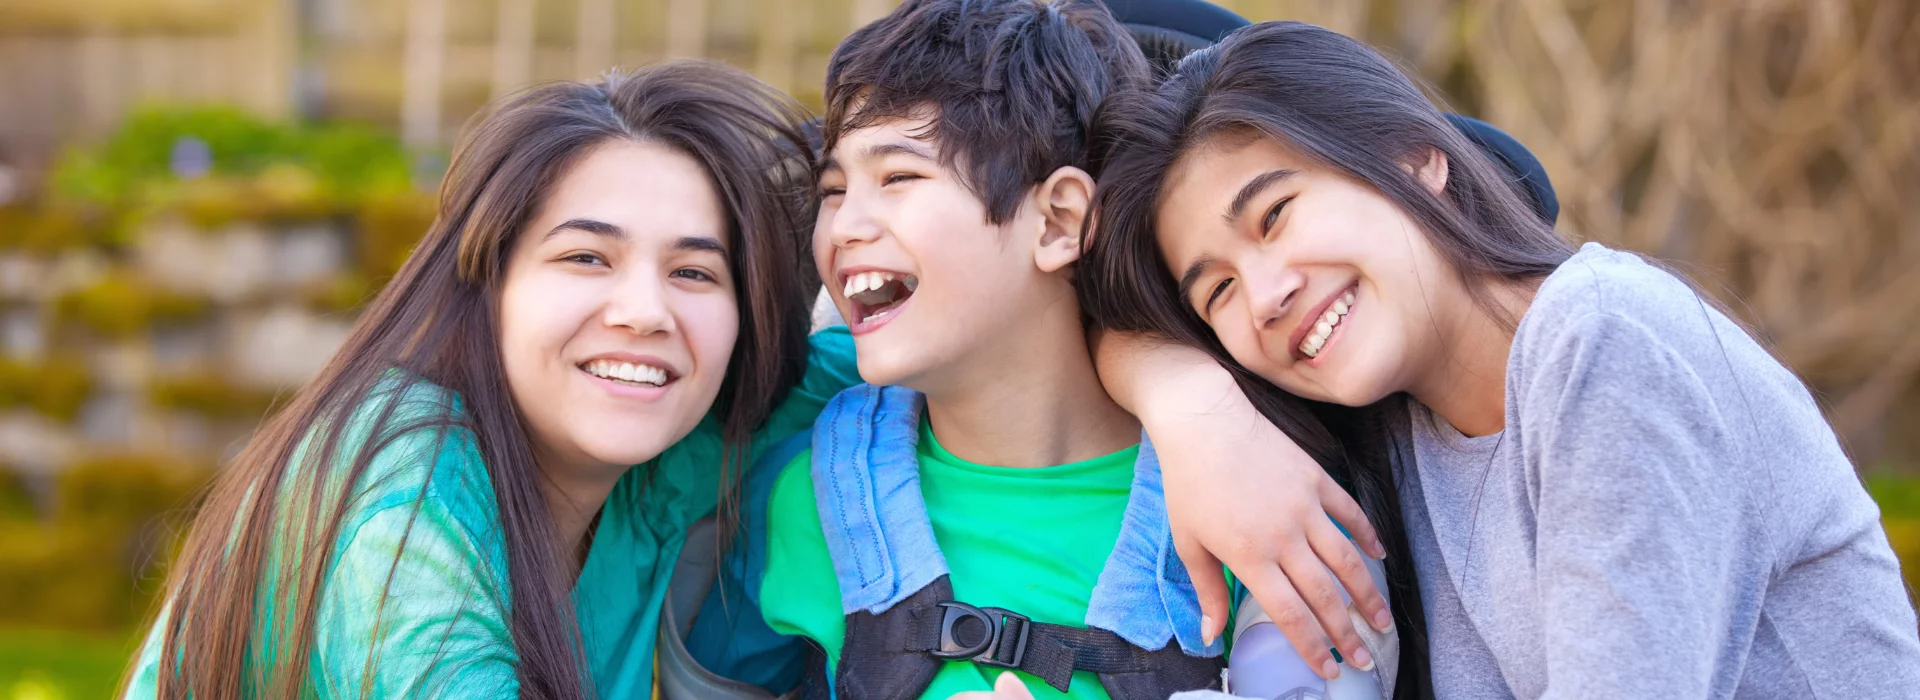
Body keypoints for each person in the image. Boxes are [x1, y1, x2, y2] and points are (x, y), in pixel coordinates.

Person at [1080, 20, 1920, 698]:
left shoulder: (1603, 338)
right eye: (1218, 291)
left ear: (1416, 157)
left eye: (1276, 215)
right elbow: (1091, 326)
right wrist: (1191, 408)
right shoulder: (1403, 438)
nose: (1265, 296)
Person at [121, 61, 865, 699]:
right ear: (488, 284)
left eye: (694, 272)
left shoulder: (676, 453)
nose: (646, 312)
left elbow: (886, 356)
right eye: (586, 258)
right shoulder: (402, 493)